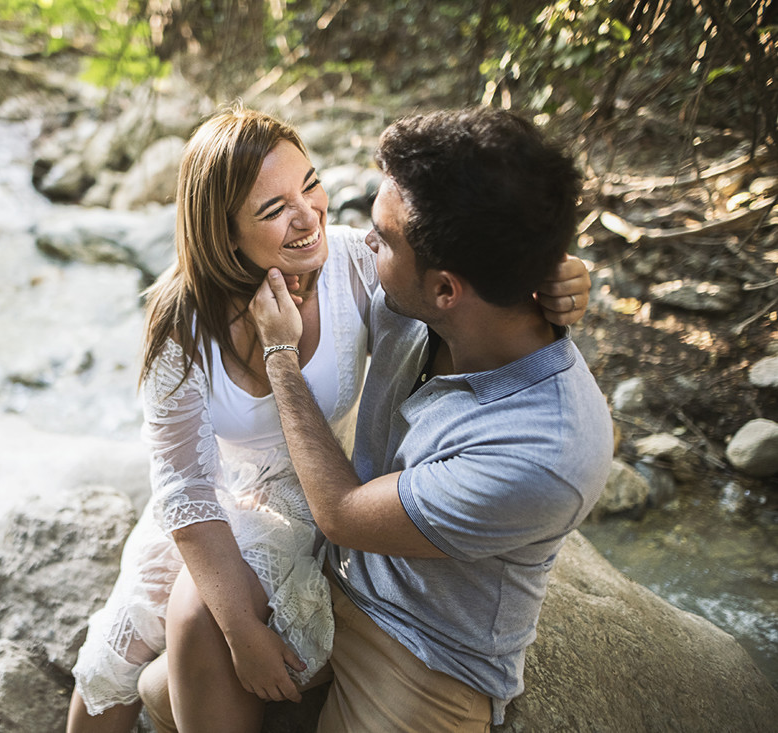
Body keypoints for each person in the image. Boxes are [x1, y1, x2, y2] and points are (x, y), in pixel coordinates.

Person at [67, 105, 592, 733]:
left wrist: (550, 277)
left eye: (310, 184)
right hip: (235, 501)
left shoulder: (358, 272)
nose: (319, 217)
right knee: (117, 655)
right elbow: (183, 482)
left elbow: (340, 511)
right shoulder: (193, 318)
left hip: (340, 531)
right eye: (272, 208)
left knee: (191, 624)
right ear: (223, 231)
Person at [239, 106, 615, 731]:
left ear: (446, 290)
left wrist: (281, 357)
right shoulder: (429, 292)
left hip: (427, 652)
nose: (360, 244)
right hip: (331, 581)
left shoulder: (545, 450)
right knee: (167, 691)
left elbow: (343, 514)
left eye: (381, 239)